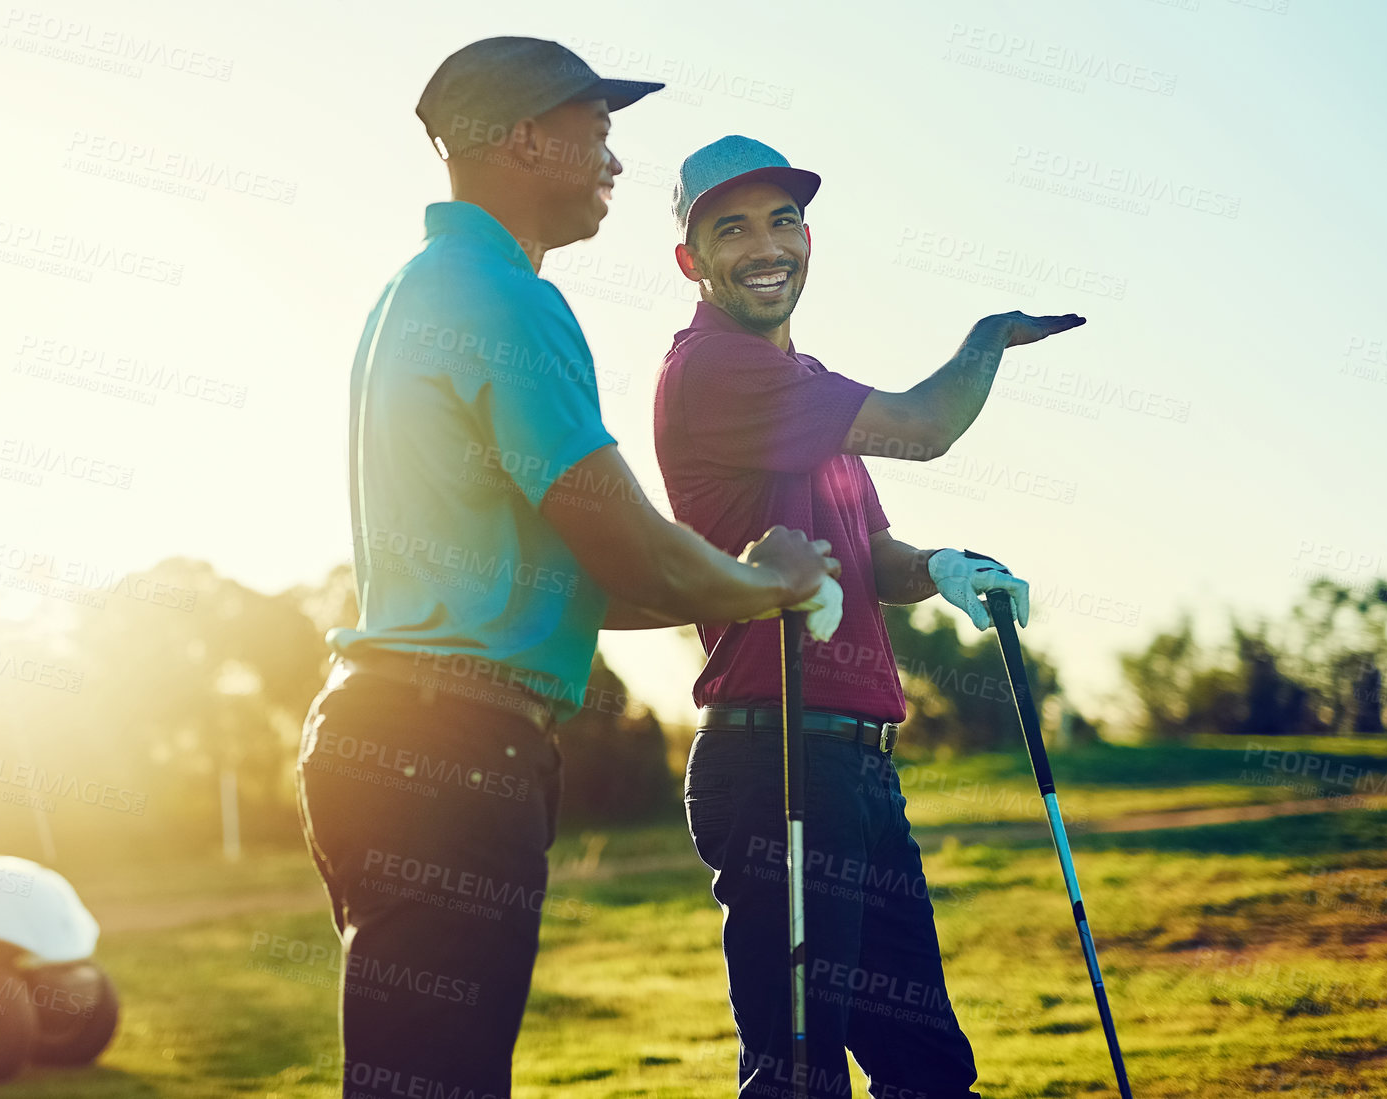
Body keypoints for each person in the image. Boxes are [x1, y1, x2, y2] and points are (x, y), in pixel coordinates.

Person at [296, 47, 842, 1098]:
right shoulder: (506, 299)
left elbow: (586, 575)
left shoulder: (424, 285)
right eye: (596, 131)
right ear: (524, 139)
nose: (614, 163)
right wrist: (767, 580)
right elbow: (630, 542)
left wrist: (727, 588)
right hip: (448, 753)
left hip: (390, 739)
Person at [652, 135, 1086, 1098]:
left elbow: (870, 555)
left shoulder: (806, 395)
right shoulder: (715, 371)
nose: (767, 244)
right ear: (691, 260)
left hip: (853, 764)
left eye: (783, 220)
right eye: (732, 229)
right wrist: (986, 336)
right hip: (776, 761)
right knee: (799, 1076)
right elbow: (925, 428)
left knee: (927, 1069)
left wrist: (940, 565)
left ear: (809, 236)